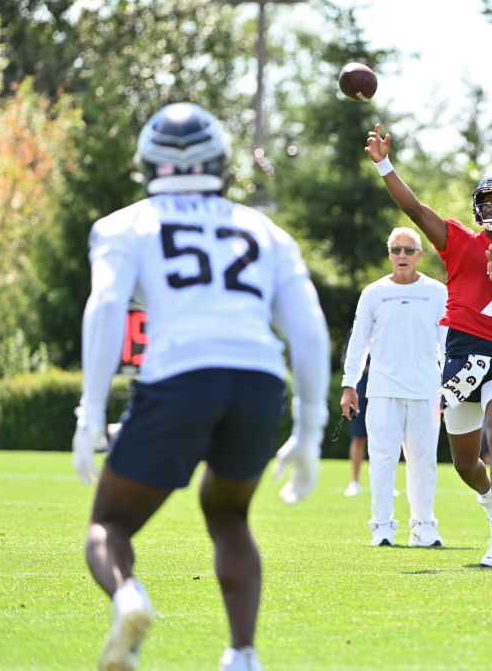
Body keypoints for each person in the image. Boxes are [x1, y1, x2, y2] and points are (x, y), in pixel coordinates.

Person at [71, 103, 330, 671]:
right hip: (259, 381)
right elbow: (308, 328)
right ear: (220, 160)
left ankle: (130, 598)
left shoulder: (124, 225)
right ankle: (242, 654)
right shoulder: (265, 229)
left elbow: (107, 305)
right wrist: (309, 428)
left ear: (148, 164)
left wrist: (92, 407)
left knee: (109, 524)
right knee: (229, 516)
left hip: (181, 376)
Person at [366, 123, 492, 568]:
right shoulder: (460, 242)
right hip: (463, 355)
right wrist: (384, 164)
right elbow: (414, 208)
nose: (491, 207)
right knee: (466, 464)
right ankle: (489, 501)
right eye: (485, 201)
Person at [340, 227, 449, 547]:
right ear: (389, 254)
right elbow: (358, 344)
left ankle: (424, 526)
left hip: (427, 390)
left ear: (419, 255)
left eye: (408, 250)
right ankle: (382, 527)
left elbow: (447, 344)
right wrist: (349, 386)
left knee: (424, 461)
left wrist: (449, 388)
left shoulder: (437, 292)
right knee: (382, 459)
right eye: (396, 249)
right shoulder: (373, 293)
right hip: (382, 389)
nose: (402, 256)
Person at [343, 366, 368, 497]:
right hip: (360, 394)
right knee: (358, 437)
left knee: (388, 439)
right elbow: (349, 361)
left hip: (385, 392)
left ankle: (389, 484)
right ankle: (354, 482)